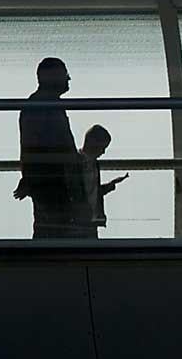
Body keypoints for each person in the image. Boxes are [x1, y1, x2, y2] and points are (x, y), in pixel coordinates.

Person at [17, 58, 122, 239]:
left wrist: (29, 177)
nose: (68, 79)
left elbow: (30, 148)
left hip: (51, 184)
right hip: (53, 186)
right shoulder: (44, 107)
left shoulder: (42, 105)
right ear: (51, 77)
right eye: (65, 75)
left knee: (51, 234)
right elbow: (39, 148)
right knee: (56, 235)